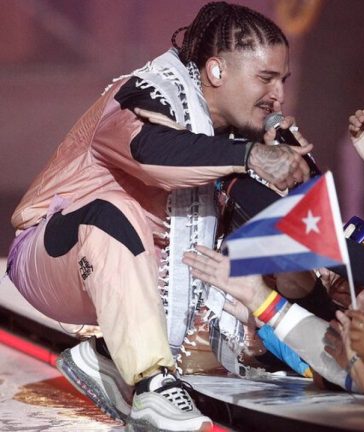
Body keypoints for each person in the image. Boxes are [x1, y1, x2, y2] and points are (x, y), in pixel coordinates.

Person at [6, 2, 311, 431]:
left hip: (127, 270)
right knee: (115, 212)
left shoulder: (235, 137)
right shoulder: (145, 93)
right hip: (53, 252)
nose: (278, 94)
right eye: (266, 78)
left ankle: (109, 356)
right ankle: (151, 387)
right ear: (217, 71)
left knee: (251, 247)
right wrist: (251, 155)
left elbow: (276, 234)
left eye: (283, 80)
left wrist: (295, 187)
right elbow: (150, 153)